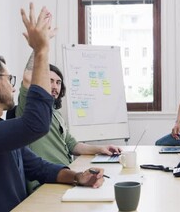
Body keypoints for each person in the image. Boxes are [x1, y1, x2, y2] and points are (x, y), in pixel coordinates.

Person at [0, 3, 106, 212]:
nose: (12, 86)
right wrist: (41, 51)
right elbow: (37, 125)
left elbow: (38, 167)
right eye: (9, 78)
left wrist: (77, 177)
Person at [15, 59, 122, 193]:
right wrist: (41, 44)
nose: (55, 87)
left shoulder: (55, 112)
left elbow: (71, 144)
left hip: (65, 174)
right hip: (46, 181)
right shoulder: (29, 111)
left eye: (58, 82)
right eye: (50, 81)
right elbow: (28, 75)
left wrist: (101, 149)